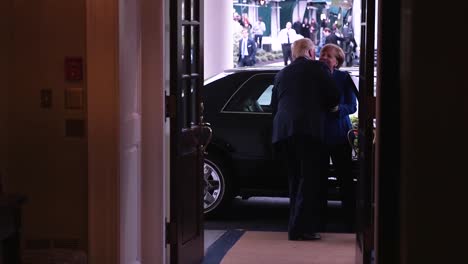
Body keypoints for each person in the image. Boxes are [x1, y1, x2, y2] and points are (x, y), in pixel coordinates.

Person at [270, 38, 340, 241]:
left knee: (294, 179)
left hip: (283, 131)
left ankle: (294, 224)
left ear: (294, 54)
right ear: (310, 52)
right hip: (307, 130)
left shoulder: (282, 73)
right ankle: (300, 229)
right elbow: (334, 96)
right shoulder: (318, 69)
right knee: (309, 179)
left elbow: (275, 105)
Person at [319, 44, 358, 232]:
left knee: (345, 178)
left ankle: (350, 221)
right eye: (322, 54)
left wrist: (337, 110)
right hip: (317, 133)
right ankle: (320, 220)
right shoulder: (313, 76)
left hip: (339, 133)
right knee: (318, 179)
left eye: (329, 55)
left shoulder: (343, 78)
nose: (325, 57)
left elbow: (352, 106)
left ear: (337, 61)